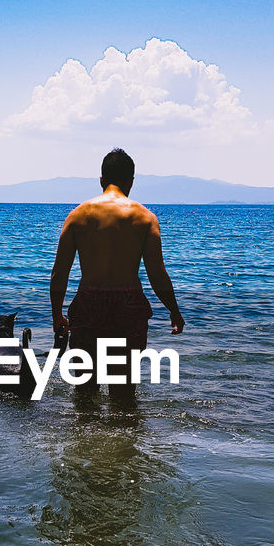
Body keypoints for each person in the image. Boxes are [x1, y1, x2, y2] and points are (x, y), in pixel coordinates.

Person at [50, 149, 184, 388]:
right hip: (129, 307)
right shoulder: (145, 218)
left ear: (101, 179)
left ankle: (85, 426)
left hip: (88, 304)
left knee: (84, 390)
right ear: (131, 181)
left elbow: (60, 272)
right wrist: (173, 310)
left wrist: (57, 314)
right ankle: (122, 426)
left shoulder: (77, 216)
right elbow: (157, 273)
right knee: (123, 391)